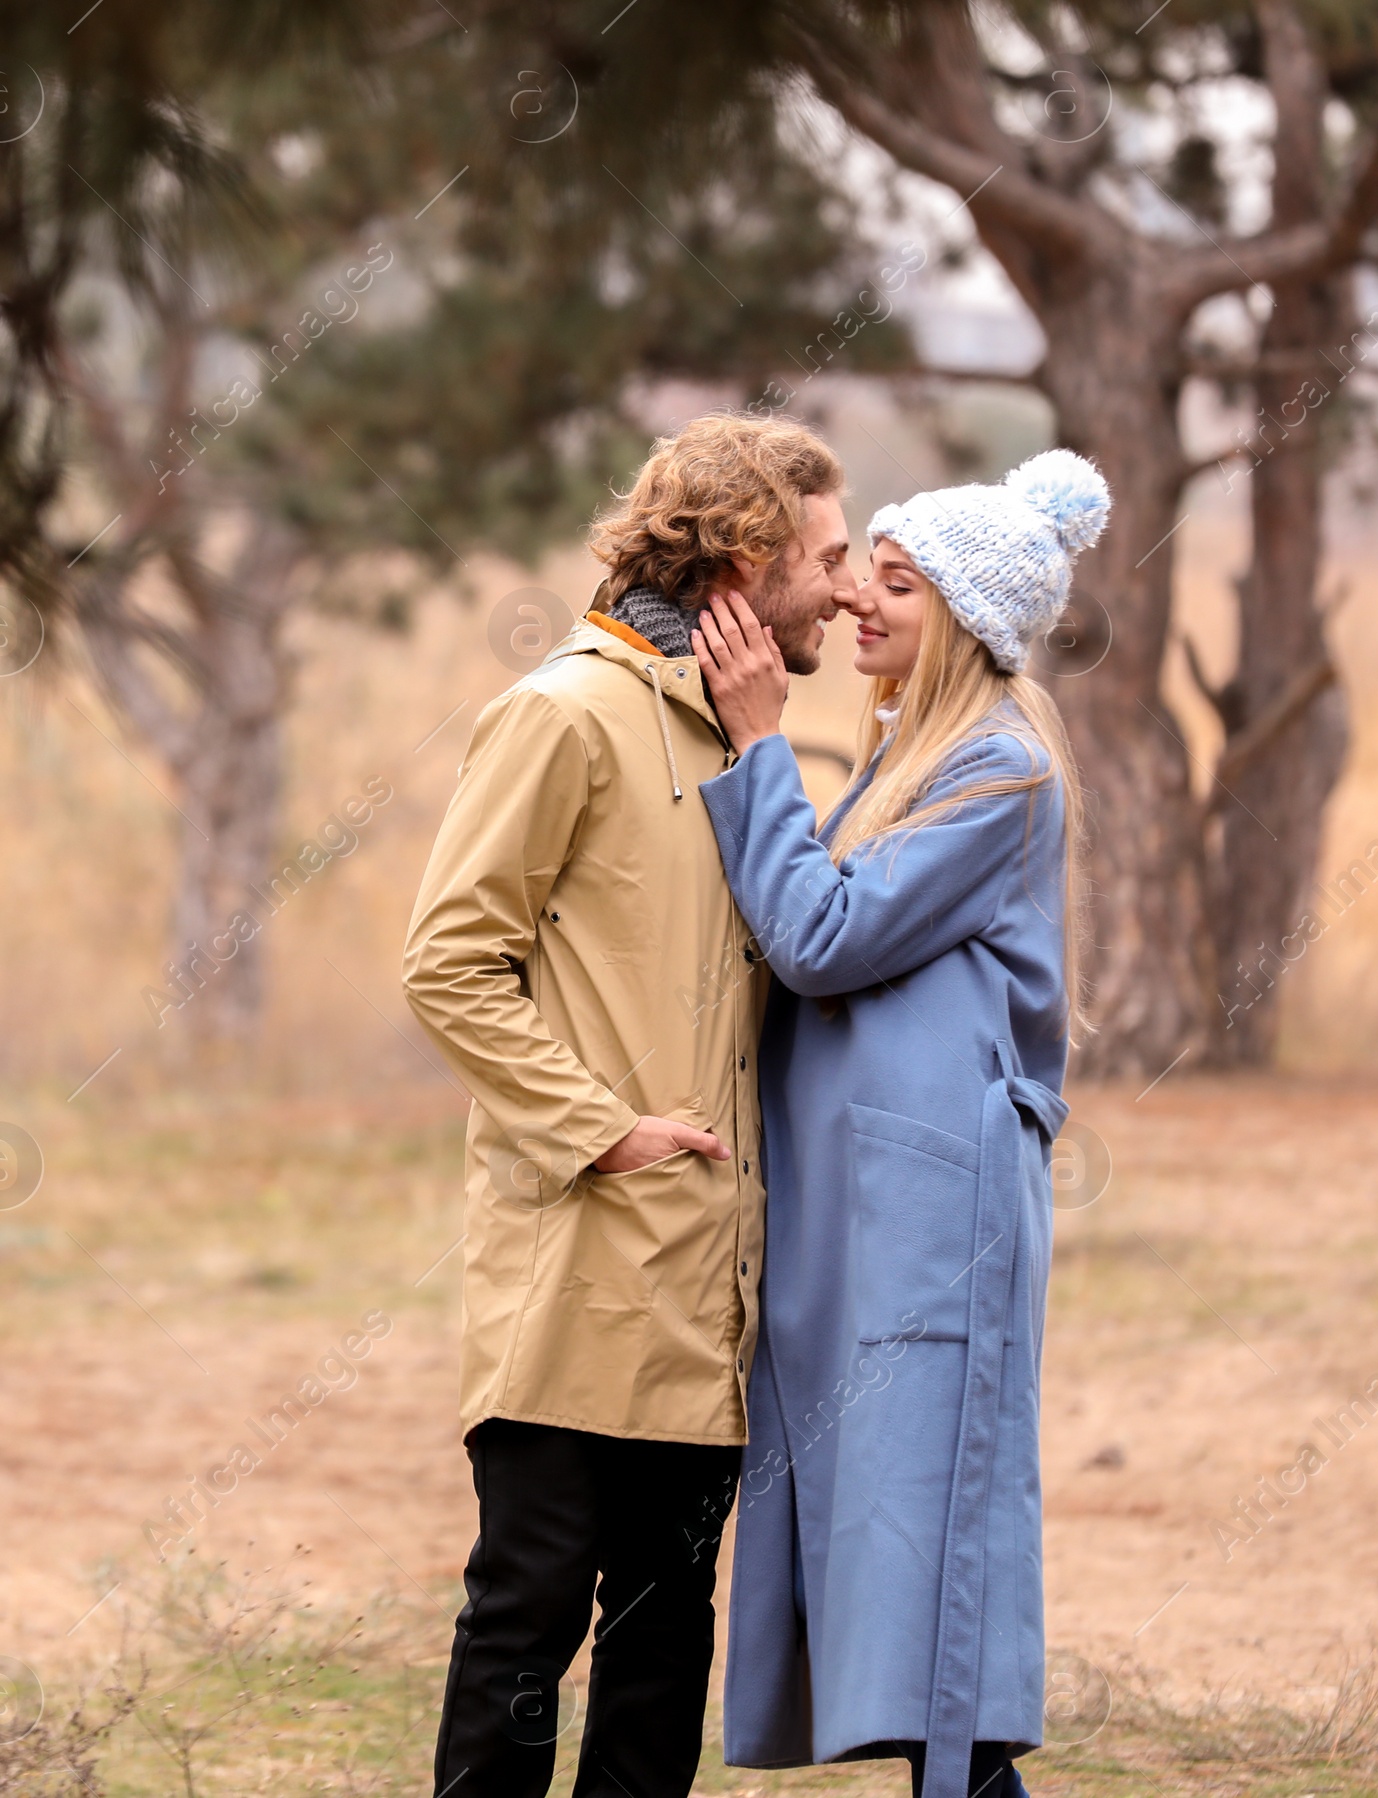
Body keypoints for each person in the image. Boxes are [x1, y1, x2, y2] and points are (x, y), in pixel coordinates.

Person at [401, 412, 855, 1798]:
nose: (844, 585)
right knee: (525, 1624)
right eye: (827, 556)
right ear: (752, 555)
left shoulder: (754, 737)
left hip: (710, 1294)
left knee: (664, 1650)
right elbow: (448, 961)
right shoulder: (562, 713)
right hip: (576, 1273)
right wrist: (604, 1127)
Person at [691, 449, 1111, 1798]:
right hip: (866, 1211)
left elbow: (818, 933)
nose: (862, 604)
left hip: (936, 1219)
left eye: (898, 584)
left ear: (968, 619)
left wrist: (758, 742)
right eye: (866, 575)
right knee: (886, 1532)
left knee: (936, 1558)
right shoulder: (905, 759)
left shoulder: (998, 773)